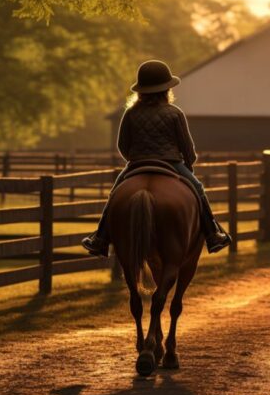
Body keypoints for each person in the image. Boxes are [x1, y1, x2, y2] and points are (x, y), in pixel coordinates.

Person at [82, 60, 232, 257]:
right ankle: (213, 235)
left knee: (115, 194)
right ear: (166, 89)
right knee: (198, 188)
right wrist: (188, 164)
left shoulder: (131, 113)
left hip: (136, 164)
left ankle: (99, 239)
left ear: (141, 90)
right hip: (172, 163)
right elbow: (188, 148)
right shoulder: (175, 113)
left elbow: (122, 145)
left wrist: (134, 159)